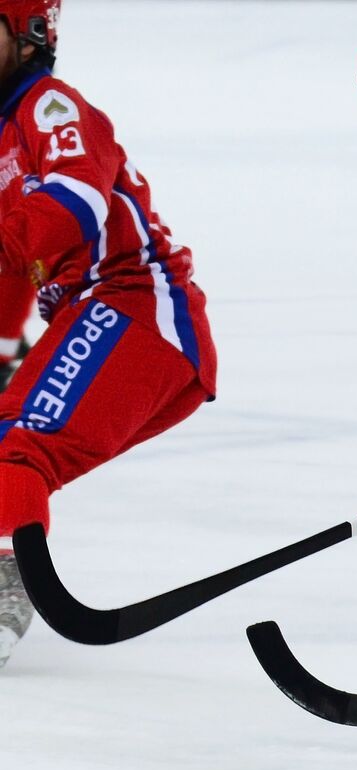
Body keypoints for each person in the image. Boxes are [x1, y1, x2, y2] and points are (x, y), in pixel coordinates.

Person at [0, 0, 217, 668]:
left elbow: (75, 202)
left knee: (15, 446)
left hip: (136, 307)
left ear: (29, 35)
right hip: (98, 317)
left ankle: (7, 586)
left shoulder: (48, 106)